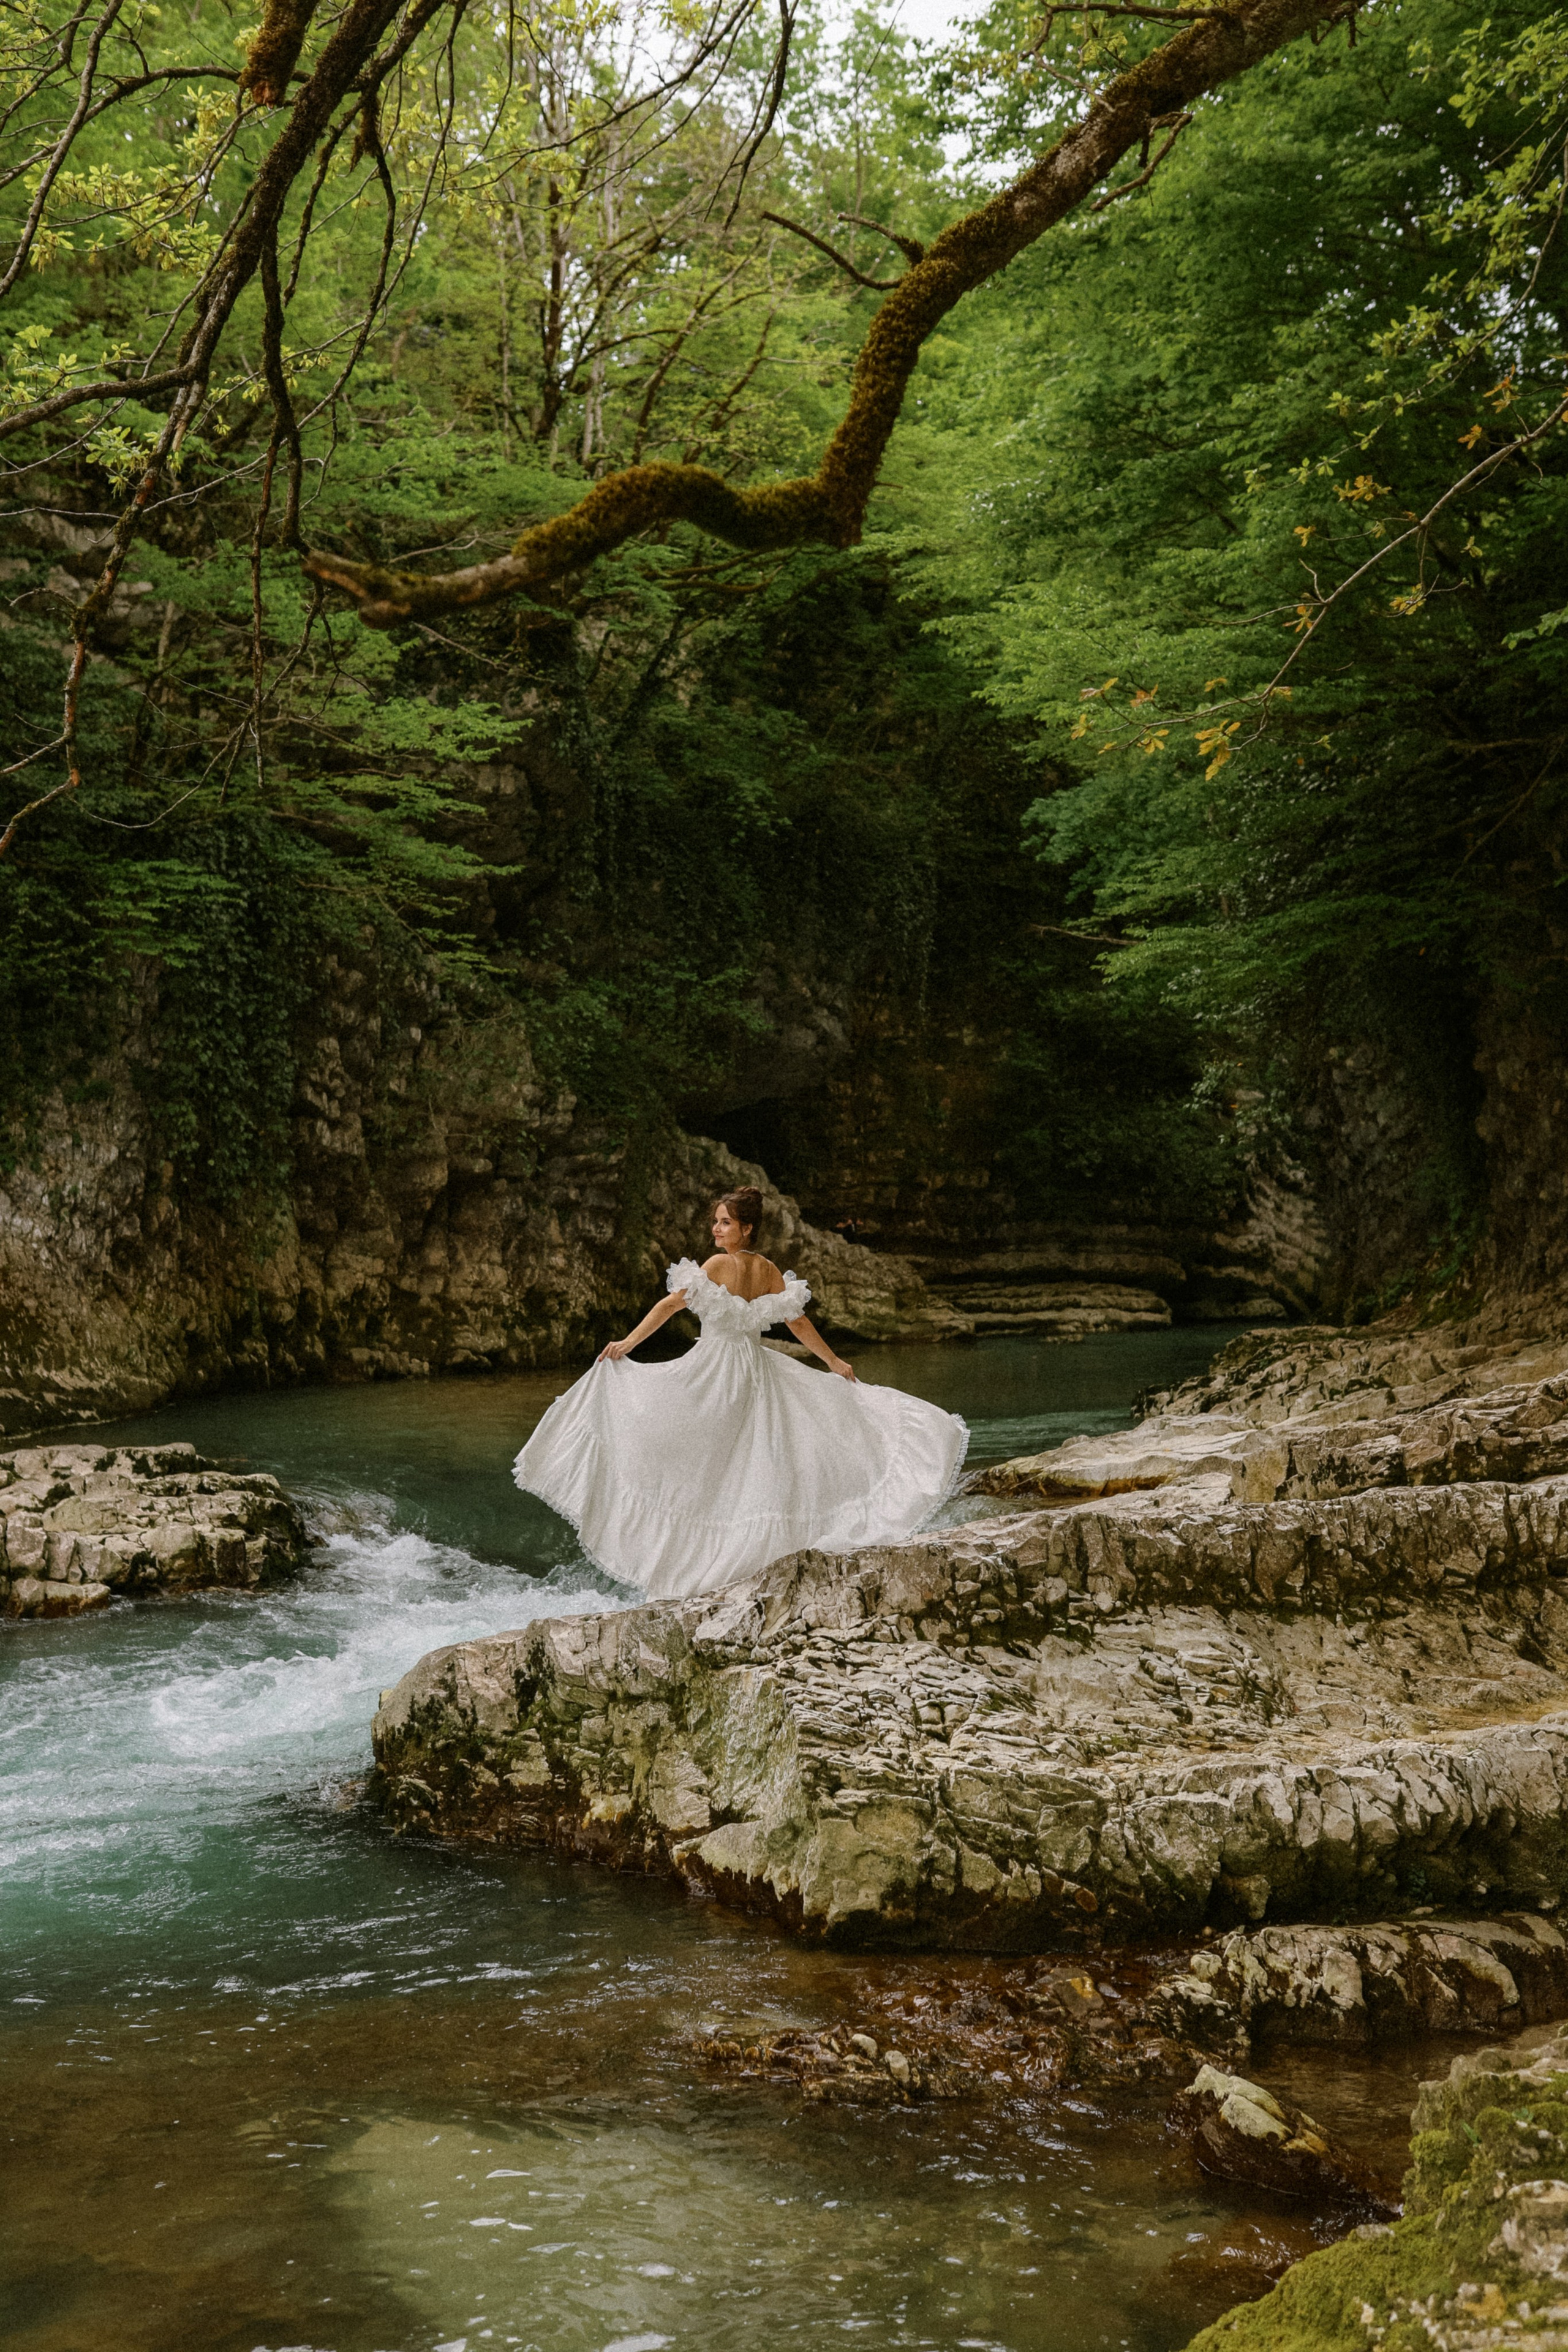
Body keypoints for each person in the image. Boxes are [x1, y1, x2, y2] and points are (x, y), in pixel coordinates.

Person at [513, 1185, 967, 1600]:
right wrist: (832, 1362)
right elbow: (798, 1322)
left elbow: (672, 1305)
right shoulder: (767, 1269)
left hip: (716, 1371)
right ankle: (741, 1559)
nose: (716, 1228)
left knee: (706, 1464)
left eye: (726, 1221)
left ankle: (697, 1563)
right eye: (716, 1221)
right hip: (755, 1372)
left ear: (746, 1228)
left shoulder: (717, 1266)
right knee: (747, 1463)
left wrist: (630, 1344)